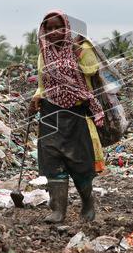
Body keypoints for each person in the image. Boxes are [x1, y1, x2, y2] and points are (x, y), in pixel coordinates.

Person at [27, 11, 105, 224]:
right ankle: (58, 210)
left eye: (58, 27)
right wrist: (36, 97)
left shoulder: (79, 47)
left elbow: (92, 71)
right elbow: (43, 84)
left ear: (67, 28)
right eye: (49, 28)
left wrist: (81, 49)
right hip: (50, 113)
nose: (53, 32)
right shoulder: (44, 53)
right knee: (52, 160)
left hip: (76, 112)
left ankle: (88, 202)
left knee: (79, 162)